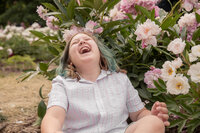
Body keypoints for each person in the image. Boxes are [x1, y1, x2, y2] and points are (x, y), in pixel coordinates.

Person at [41, 32, 170, 133]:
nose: (81, 41)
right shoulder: (62, 84)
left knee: (153, 123)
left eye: (87, 40)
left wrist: (152, 115)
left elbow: (138, 113)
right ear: (70, 61)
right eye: (75, 43)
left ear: (100, 53)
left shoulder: (120, 79)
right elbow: (54, 117)